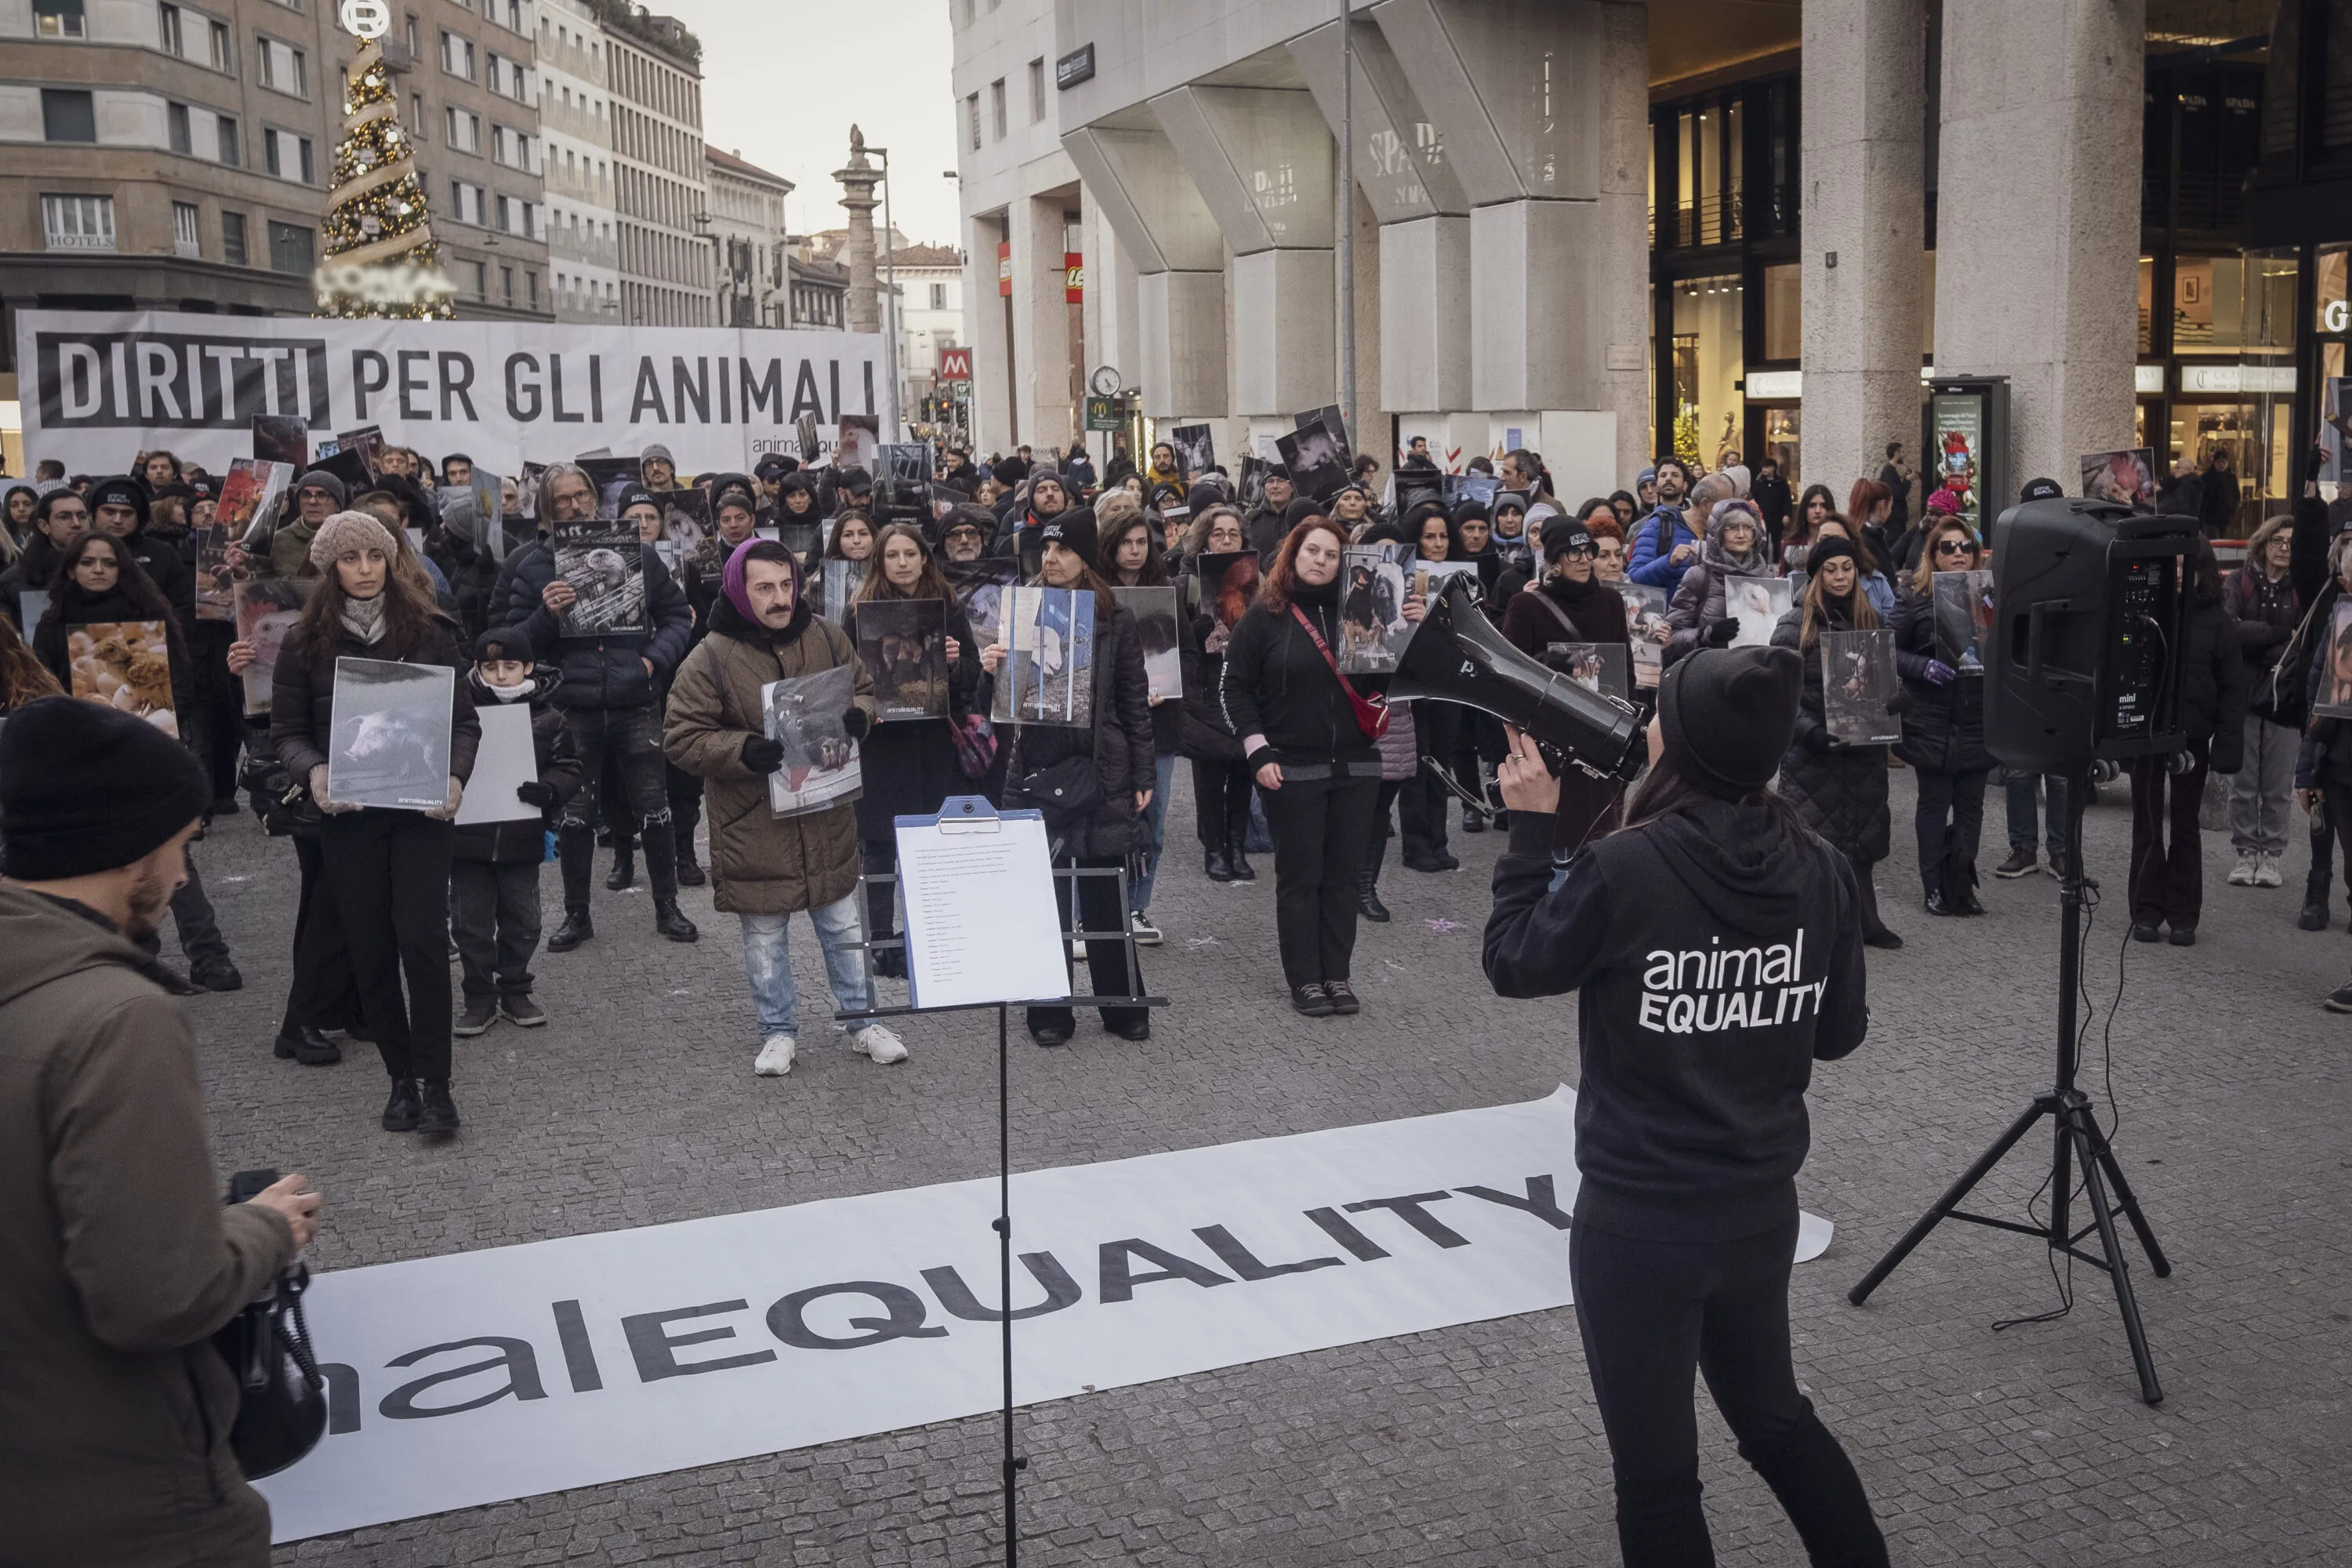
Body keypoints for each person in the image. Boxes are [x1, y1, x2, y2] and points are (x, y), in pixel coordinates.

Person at [1483, 646, 1886, 1568]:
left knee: (1658, 1477)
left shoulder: (1624, 866)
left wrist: (1530, 827)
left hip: (1641, 1222)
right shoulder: (1822, 865)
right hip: (1759, 1209)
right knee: (1777, 1419)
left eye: (1662, 710)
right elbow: (1838, 1034)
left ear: (1688, 743)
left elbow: (1514, 961)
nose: (1648, 722)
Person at [0, 695, 325, 1567]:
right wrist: (263, 1229)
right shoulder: (116, 1018)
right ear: (128, 847)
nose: (184, 874)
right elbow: (159, 1294)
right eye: (181, 843)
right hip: (122, 1489)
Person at [270, 510, 481, 1134]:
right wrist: (313, 771)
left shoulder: (431, 630)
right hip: (350, 816)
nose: (364, 570)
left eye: (374, 557)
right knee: (372, 949)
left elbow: (464, 723)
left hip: (421, 813)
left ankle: (438, 1085)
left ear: (391, 561)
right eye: (349, 558)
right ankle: (400, 1081)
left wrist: (455, 776)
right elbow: (287, 732)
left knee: (423, 944)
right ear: (328, 567)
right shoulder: (303, 641)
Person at [664, 540, 909, 1075]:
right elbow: (681, 737)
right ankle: (777, 1032)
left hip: (825, 815)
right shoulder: (710, 656)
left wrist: (859, 716)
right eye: (765, 588)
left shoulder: (826, 635)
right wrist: (742, 751)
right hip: (754, 824)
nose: (780, 598)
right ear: (739, 590)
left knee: (844, 929)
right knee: (765, 940)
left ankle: (862, 1022)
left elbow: (866, 689)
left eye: (786, 585)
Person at [1220, 511, 1421, 1018]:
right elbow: (1234, 688)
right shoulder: (1265, 617)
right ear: (1293, 553)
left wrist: (1409, 629)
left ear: (1346, 563)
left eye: (1332, 555)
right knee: (1301, 877)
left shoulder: (1365, 610)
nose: (1321, 561)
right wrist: (1257, 750)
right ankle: (1306, 979)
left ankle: (1337, 974)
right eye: (1312, 550)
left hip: (1357, 766)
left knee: (1343, 878)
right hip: (1291, 767)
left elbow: (1393, 683)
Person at [978, 510, 1156, 1044]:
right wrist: (991, 669)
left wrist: (1143, 770)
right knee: (1046, 892)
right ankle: (1049, 1012)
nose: (1051, 559)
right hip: (1039, 766)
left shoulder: (1114, 616)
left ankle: (1122, 1006)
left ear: (1086, 557)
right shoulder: (1021, 608)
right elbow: (996, 704)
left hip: (1103, 767)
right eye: (1047, 550)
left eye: (1064, 550)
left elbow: (1134, 700)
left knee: (1105, 891)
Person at [506, 463, 699, 950]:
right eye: (562, 500)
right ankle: (577, 915)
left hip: (636, 700)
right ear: (546, 510)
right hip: (573, 707)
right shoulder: (531, 566)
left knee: (655, 807)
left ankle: (667, 906)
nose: (575, 506)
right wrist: (545, 615)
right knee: (575, 815)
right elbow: (511, 642)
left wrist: (651, 662)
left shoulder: (639, 554)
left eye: (581, 496)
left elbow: (678, 616)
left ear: (595, 499)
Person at [843, 524, 978, 979]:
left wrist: (954, 665)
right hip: (884, 748)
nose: (902, 563)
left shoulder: (948, 608)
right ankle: (880, 940)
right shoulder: (860, 613)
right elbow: (847, 679)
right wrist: (866, 709)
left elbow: (973, 678)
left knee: (932, 843)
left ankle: (933, 933)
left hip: (935, 747)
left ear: (925, 558)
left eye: (910, 554)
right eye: (892, 555)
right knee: (881, 846)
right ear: (879, 563)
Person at [452, 629, 584, 1035]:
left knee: (524, 919)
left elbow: (569, 766)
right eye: (490, 667)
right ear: (477, 668)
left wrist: (551, 790)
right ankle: (479, 997)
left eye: (510, 667)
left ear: (527, 667)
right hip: (467, 841)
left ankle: (515, 988)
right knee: (469, 924)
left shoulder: (548, 717)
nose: (501, 675)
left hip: (521, 839)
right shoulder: (461, 712)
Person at [1771, 537, 1900, 949]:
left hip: (1862, 751)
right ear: (1817, 576)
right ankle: (1810, 926)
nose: (1840, 577)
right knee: (1813, 841)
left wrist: (1897, 701)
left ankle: (1866, 920)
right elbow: (1779, 692)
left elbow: (1884, 681)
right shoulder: (1795, 624)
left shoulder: (1870, 618)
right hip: (1813, 754)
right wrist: (1809, 730)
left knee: (1862, 836)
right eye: (1831, 569)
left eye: (1847, 568)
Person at [2129, 543, 2245, 945]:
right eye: (2173, 565)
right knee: (2146, 822)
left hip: (2192, 735)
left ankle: (2183, 913)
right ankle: (2146, 909)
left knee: (2185, 824)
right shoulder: (2146, 615)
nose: (2180, 572)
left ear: (2202, 570)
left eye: (2187, 565)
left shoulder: (2218, 622)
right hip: (2148, 732)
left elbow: (2233, 687)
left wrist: (2227, 746)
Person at [1498, 517, 1631, 850]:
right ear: (1555, 559)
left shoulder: (1611, 602)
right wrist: (1546, 667)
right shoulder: (1526, 606)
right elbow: (1508, 677)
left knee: (1604, 831)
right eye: (1574, 553)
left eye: (1588, 551)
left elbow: (1626, 671)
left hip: (1603, 736)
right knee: (1559, 836)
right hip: (1553, 741)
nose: (1584, 560)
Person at [1889, 517, 1993, 916]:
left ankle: (1961, 884)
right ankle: (1933, 886)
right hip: (1930, 717)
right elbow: (1889, 648)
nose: (1958, 554)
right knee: (1934, 803)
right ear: (1933, 554)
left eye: (1965, 547)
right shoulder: (1913, 595)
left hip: (1976, 715)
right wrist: (1922, 667)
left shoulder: (1989, 595)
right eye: (1948, 547)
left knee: (1971, 805)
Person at [1099, 495, 1185, 942]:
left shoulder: (1166, 591)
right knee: (1102, 820)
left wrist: (1169, 687)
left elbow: (1185, 654)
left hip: (1158, 725)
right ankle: (1092, 911)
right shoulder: (1095, 592)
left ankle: (1136, 906)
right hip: (1108, 726)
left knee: (1152, 821)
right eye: (1125, 543)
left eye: (1141, 542)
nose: (1134, 551)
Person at [1179, 505, 1258, 883]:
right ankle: (1214, 849)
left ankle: (1237, 847)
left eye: (1233, 534)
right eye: (1218, 533)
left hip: (1244, 685)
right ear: (1204, 540)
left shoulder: (1256, 581)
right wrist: (1196, 630)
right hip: (1206, 690)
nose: (1226, 540)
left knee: (1244, 768)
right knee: (1210, 774)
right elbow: (1175, 640)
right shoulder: (1188, 583)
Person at [2225, 514, 2300, 887]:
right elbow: (2230, 631)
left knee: (2278, 786)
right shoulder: (2240, 581)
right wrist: (2279, 633)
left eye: (2290, 543)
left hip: (2285, 698)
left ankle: (2271, 856)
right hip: (2244, 696)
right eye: (2278, 541)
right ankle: (2245, 853)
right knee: (2243, 782)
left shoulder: (2302, 586)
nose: (2284, 549)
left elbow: (2303, 641)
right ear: (2263, 542)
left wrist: (2260, 642)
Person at [1664, 499, 1773, 666]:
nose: (1741, 534)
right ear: (1718, 534)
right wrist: (1706, 635)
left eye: (1747, 528)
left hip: (1754, 670)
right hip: (1708, 671)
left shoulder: (1766, 578)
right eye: (1732, 528)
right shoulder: (1698, 576)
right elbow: (1672, 637)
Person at [1245, 465, 1298, 560]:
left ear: (1293, 487)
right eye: (1270, 481)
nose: (1274, 486)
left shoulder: (1302, 517)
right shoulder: (1251, 519)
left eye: (1281, 481)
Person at [1751, 454, 1794, 549]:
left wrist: (1787, 514)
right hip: (1762, 518)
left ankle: (1777, 558)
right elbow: (1754, 500)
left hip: (1777, 518)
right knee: (1762, 543)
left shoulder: (1782, 483)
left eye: (1766, 467)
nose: (1764, 470)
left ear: (1773, 468)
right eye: (1763, 467)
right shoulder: (1759, 483)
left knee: (1777, 543)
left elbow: (1787, 500)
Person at [2198, 447, 2241, 539]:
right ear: (2214, 463)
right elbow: (2201, 498)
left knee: (2226, 541)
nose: (2221, 464)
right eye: (2219, 462)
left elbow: (2236, 496)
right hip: (2210, 518)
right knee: (2213, 541)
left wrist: (2233, 510)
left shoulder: (2231, 478)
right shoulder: (2206, 478)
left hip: (2226, 518)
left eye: (2223, 462)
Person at [1877, 441, 1913, 539]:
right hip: (1894, 519)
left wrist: (1907, 477)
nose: (1903, 455)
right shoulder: (1888, 472)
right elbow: (1898, 494)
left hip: (1897, 518)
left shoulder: (1892, 471)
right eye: (1901, 452)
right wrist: (1908, 481)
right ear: (1896, 453)